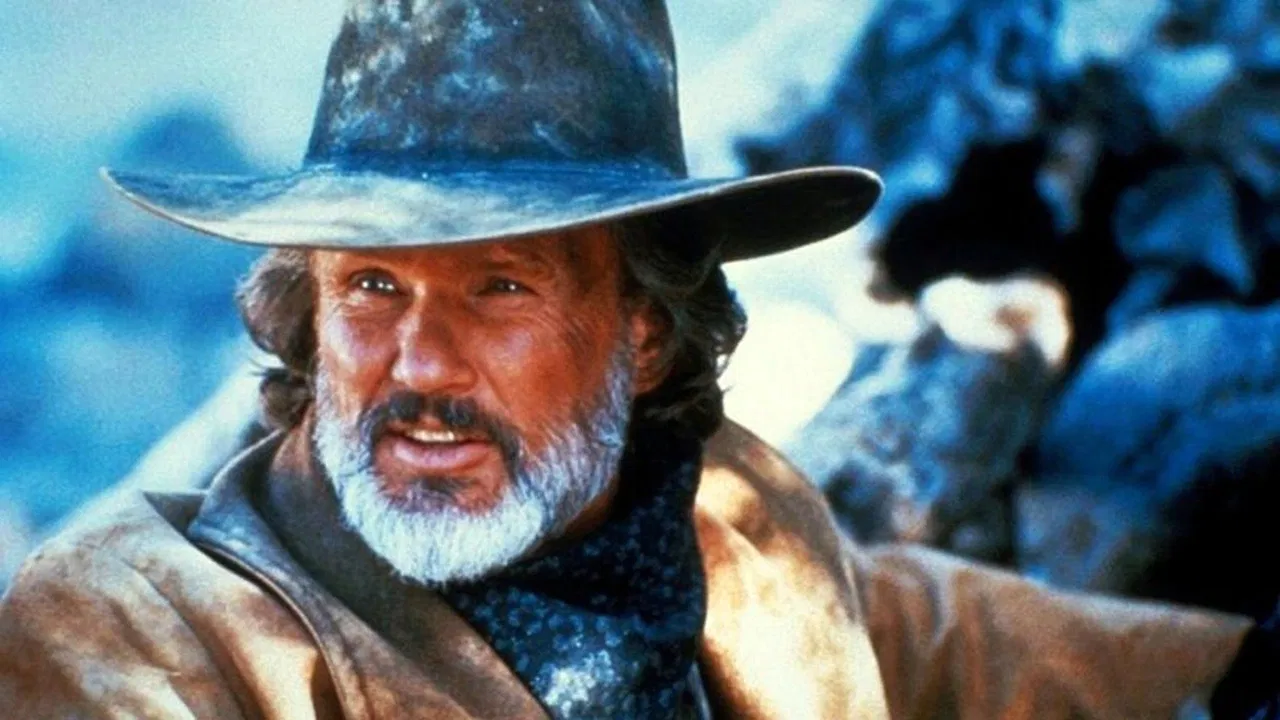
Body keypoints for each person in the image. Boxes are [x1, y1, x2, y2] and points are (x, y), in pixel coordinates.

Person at [1, 1, 1275, 718]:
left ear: (644, 332)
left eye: (500, 286)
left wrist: (1238, 663)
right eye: (370, 286)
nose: (418, 361)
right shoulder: (134, 625)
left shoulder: (711, 520)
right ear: (307, 313)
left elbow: (928, 635)